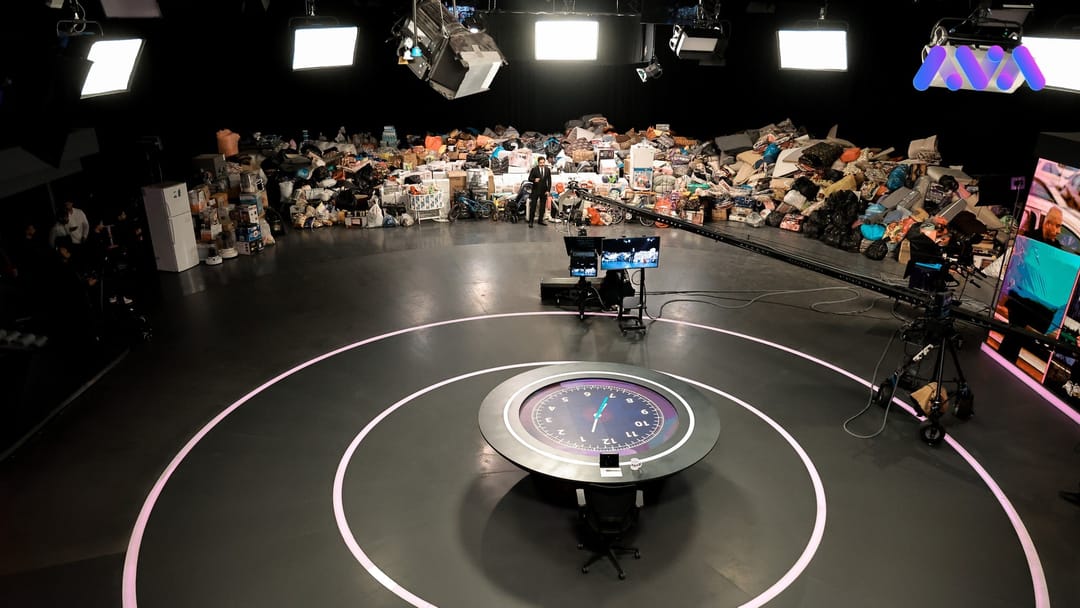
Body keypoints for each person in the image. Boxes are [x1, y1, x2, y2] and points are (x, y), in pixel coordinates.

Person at [526, 156, 552, 227]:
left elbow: (549, 181)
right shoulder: (534, 169)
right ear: (538, 163)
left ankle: (540, 220)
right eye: (541, 163)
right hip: (535, 190)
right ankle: (531, 221)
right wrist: (534, 180)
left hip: (544, 190)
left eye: (543, 162)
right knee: (533, 206)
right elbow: (529, 178)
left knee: (542, 207)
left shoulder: (547, 170)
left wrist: (548, 190)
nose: (542, 164)